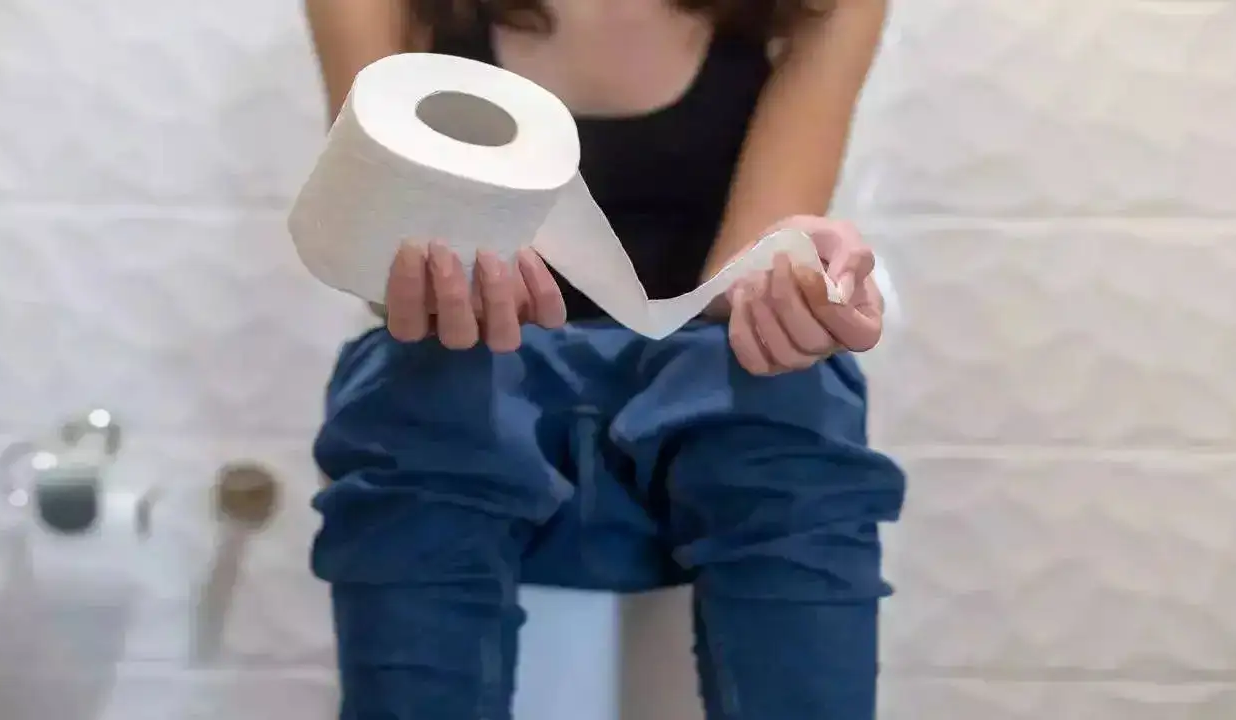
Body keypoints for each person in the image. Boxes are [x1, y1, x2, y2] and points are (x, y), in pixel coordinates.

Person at [302, 0, 906, 718]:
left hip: (699, 411)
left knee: (789, 390)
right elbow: (381, 228)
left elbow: (745, 272)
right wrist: (433, 280)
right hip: (476, 392)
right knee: (424, 384)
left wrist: (798, 287)